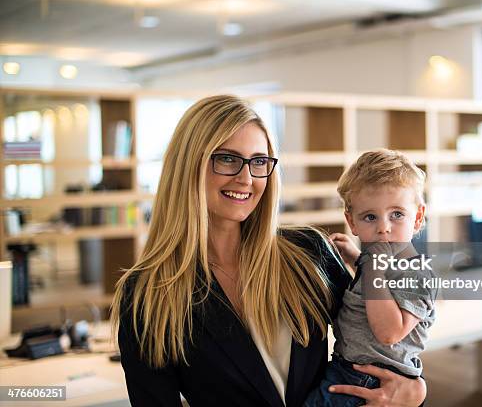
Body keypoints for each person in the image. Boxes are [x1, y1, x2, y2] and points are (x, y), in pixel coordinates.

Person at [111, 95, 427, 407]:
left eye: (259, 161)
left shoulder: (309, 252)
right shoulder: (146, 293)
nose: (246, 178)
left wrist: (415, 393)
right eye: (227, 158)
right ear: (188, 164)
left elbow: (384, 344)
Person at [305, 149, 436, 406]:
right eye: (370, 217)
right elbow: (376, 288)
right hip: (350, 368)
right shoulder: (378, 263)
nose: (383, 227)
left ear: (418, 217)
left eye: (397, 214)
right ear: (351, 221)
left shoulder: (418, 274)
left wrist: (372, 267)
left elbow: (389, 332)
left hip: (371, 378)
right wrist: (356, 258)